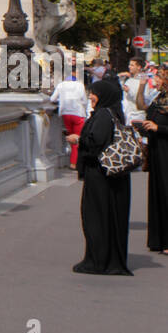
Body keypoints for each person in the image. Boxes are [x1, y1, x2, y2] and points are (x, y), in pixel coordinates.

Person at [66, 72, 132, 276]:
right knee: (108, 217)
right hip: (112, 176)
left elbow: (97, 143)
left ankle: (98, 261)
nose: (91, 97)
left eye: (94, 94)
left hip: (100, 175)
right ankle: (106, 258)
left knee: (96, 217)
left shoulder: (103, 115)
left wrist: (79, 139)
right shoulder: (114, 112)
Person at [141, 64, 168, 254]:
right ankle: (159, 239)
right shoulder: (159, 98)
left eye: (159, 76)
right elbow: (143, 107)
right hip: (157, 152)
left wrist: (160, 129)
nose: (156, 80)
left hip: (166, 152)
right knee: (158, 193)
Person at [52, 68, 89, 168]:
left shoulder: (61, 85)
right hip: (78, 114)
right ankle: (75, 162)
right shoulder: (80, 85)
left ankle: (71, 159)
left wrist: (62, 99)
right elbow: (85, 101)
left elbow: (52, 99)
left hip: (65, 114)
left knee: (70, 137)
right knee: (77, 138)